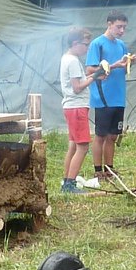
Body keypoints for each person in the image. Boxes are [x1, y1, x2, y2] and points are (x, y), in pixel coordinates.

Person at [84, 11, 132, 181]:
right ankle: (97, 170)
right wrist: (114, 65)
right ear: (109, 24)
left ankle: (109, 169)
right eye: (119, 27)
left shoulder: (121, 45)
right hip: (103, 96)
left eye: (124, 27)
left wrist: (129, 62)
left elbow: (124, 66)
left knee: (113, 135)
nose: (121, 31)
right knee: (101, 135)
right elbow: (90, 70)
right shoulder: (98, 44)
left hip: (119, 95)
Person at [58, 26, 92, 193]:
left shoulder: (67, 58)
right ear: (75, 43)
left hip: (71, 107)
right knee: (83, 147)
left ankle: (66, 180)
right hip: (77, 107)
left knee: (73, 145)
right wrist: (93, 77)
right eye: (85, 44)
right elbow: (77, 87)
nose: (87, 48)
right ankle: (70, 184)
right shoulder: (72, 61)